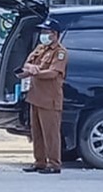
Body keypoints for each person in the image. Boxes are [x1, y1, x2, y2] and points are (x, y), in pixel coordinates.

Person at [18, 18, 69, 174]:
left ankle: (54, 163)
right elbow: (26, 63)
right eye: (43, 32)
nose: (43, 35)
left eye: (46, 32)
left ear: (55, 34)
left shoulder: (60, 52)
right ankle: (39, 161)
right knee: (37, 132)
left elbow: (53, 73)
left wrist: (36, 72)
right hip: (35, 96)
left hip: (49, 98)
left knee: (50, 133)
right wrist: (30, 68)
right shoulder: (40, 48)